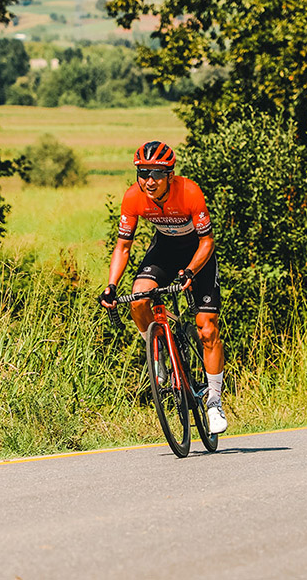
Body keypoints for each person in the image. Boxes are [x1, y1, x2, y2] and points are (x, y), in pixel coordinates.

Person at [98, 141, 228, 434]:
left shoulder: (189, 192)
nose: (149, 181)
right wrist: (111, 286)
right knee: (138, 301)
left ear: (170, 174)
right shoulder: (134, 197)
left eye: (157, 173)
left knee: (207, 328)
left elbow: (207, 241)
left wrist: (191, 272)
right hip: (165, 252)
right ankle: (156, 352)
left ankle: (214, 401)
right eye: (143, 173)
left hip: (198, 254)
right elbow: (123, 246)